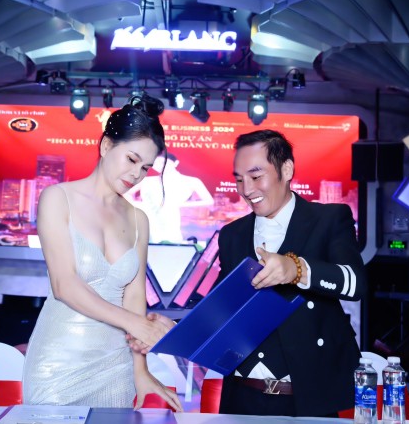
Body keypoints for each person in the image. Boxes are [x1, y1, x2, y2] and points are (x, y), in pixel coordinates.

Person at [130, 129, 365, 417]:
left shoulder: (328, 219)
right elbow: (221, 310)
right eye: (239, 179)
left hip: (308, 396)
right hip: (242, 396)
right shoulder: (233, 234)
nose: (246, 189)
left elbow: (355, 283)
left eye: (256, 176)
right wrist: (176, 330)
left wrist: (296, 269)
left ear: (286, 170)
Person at [22, 94, 182, 411]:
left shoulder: (139, 219)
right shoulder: (57, 198)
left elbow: (134, 297)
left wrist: (140, 371)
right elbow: (64, 285)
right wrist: (137, 325)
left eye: (146, 168)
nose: (137, 174)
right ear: (107, 146)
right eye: (131, 159)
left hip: (116, 366)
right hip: (58, 361)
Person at [126, 153, 214, 243]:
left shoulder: (191, 181)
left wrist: (182, 205)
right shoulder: (147, 181)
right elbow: (126, 193)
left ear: (176, 163)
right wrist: (140, 206)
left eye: (163, 162)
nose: (159, 165)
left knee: (171, 243)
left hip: (173, 218)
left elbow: (209, 201)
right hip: (149, 219)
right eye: (155, 163)